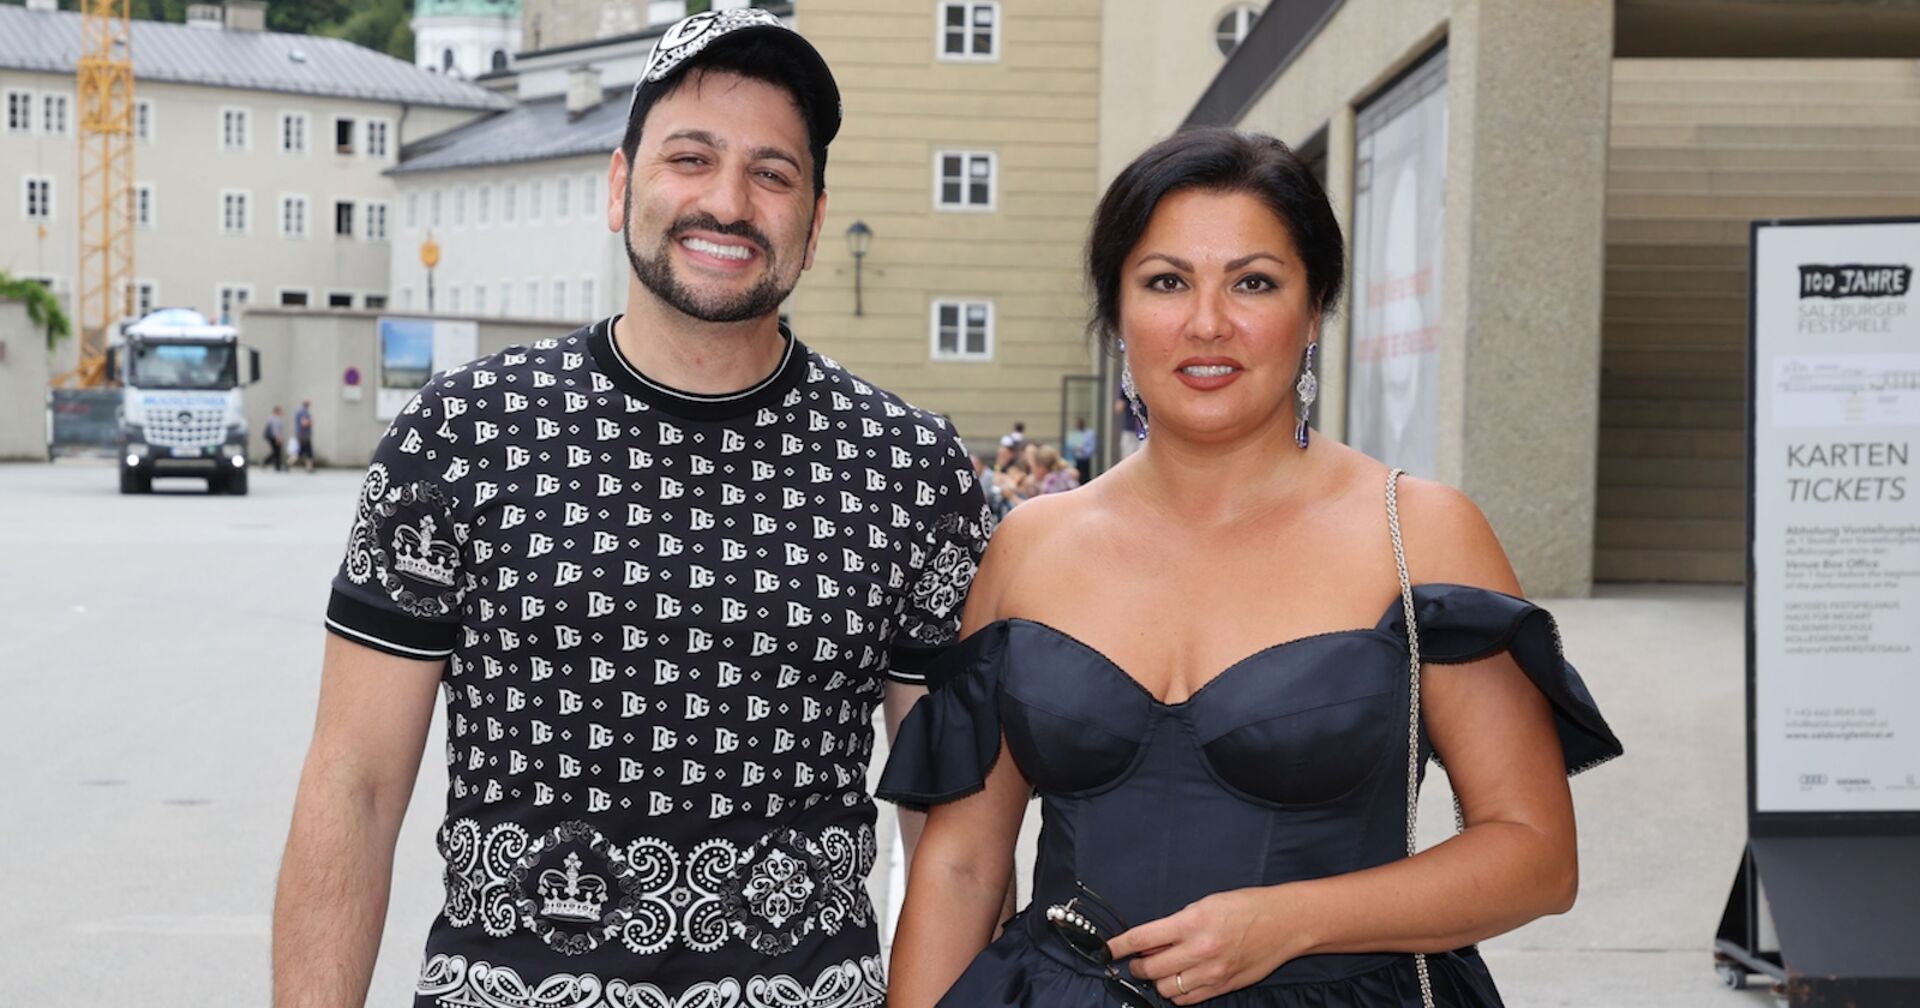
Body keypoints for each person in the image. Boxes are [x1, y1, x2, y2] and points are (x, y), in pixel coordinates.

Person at [272, 11, 992, 1007]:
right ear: (621, 186)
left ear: (816, 221)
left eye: (772, 174)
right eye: (690, 157)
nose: (728, 202)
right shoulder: (464, 436)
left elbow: (956, 844)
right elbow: (351, 784)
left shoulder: (912, 472)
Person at [879, 128, 1622, 1007]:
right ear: (1117, 311)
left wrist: (1292, 921)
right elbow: (963, 864)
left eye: (1254, 282)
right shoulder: (1031, 544)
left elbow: (1535, 854)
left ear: (1313, 312)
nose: (1207, 323)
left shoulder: (1419, 534)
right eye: (1166, 282)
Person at [1064, 416, 1097, 483]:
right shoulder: (1075, 434)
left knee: (1084, 478)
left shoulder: (1089, 434)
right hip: (1075, 459)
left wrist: (1082, 450)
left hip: (1085, 459)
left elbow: (1092, 448)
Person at [263, 405, 287, 472]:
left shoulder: (270, 418)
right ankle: (273, 465)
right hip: (275, 437)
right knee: (277, 452)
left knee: (275, 452)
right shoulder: (276, 419)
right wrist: (278, 438)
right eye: (281, 411)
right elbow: (276, 430)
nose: (282, 412)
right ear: (277, 411)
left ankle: (271, 464)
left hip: (271, 437)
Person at [293, 399, 315, 471]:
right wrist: (311, 421)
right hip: (304, 435)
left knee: (304, 452)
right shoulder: (304, 412)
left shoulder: (299, 411)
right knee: (307, 452)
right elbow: (304, 423)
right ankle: (309, 467)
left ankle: (309, 467)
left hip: (302, 434)